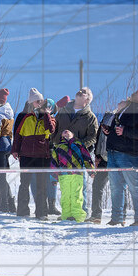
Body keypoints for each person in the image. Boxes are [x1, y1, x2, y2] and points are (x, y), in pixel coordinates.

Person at [105, 85, 138, 227]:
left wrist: (125, 131)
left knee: (135, 187)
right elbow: (118, 130)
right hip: (114, 153)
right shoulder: (124, 110)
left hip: (132, 156)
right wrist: (108, 131)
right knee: (116, 188)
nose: (136, 92)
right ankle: (117, 219)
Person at [54, 87, 98, 217]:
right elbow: (54, 128)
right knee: (65, 187)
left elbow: (93, 137)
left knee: (79, 188)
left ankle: (80, 215)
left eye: (84, 92)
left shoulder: (90, 117)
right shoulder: (63, 110)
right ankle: (67, 214)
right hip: (61, 155)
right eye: (80, 90)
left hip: (78, 157)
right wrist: (56, 142)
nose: (80, 92)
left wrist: (77, 145)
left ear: (88, 99)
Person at [12, 89, 56, 219]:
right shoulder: (26, 117)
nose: (40, 103)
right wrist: (15, 149)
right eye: (37, 101)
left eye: (41, 101)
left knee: (41, 185)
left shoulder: (50, 118)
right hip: (26, 156)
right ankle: (22, 211)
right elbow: (18, 134)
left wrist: (47, 114)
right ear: (32, 103)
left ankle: (42, 212)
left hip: (42, 156)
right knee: (24, 183)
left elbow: (51, 129)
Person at [50, 130, 94, 221]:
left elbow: (87, 158)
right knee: (66, 196)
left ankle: (78, 217)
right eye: (64, 132)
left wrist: (91, 170)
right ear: (61, 136)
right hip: (64, 176)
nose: (66, 132)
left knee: (77, 195)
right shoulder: (58, 147)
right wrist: (54, 177)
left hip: (77, 175)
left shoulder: (79, 145)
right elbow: (54, 163)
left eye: (68, 131)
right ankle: (66, 216)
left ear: (72, 134)